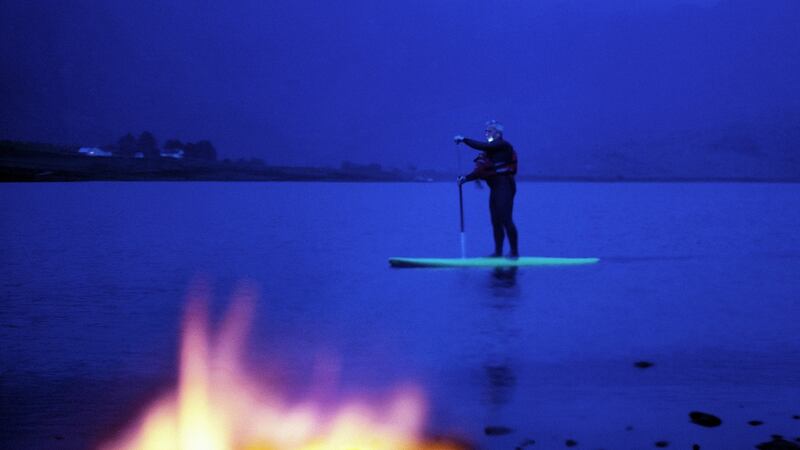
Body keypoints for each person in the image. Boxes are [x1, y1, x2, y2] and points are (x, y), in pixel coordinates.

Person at [454, 120, 519, 258]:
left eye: (489, 131)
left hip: (505, 186)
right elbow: (481, 171)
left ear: (498, 133)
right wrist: (465, 179)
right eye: (486, 131)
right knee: (495, 221)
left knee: (506, 219)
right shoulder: (489, 151)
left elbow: (480, 145)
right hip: (495, 189)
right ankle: (498, 253)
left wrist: (463, 139)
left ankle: (514, 253)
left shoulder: (502, 145)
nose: (486, 133)